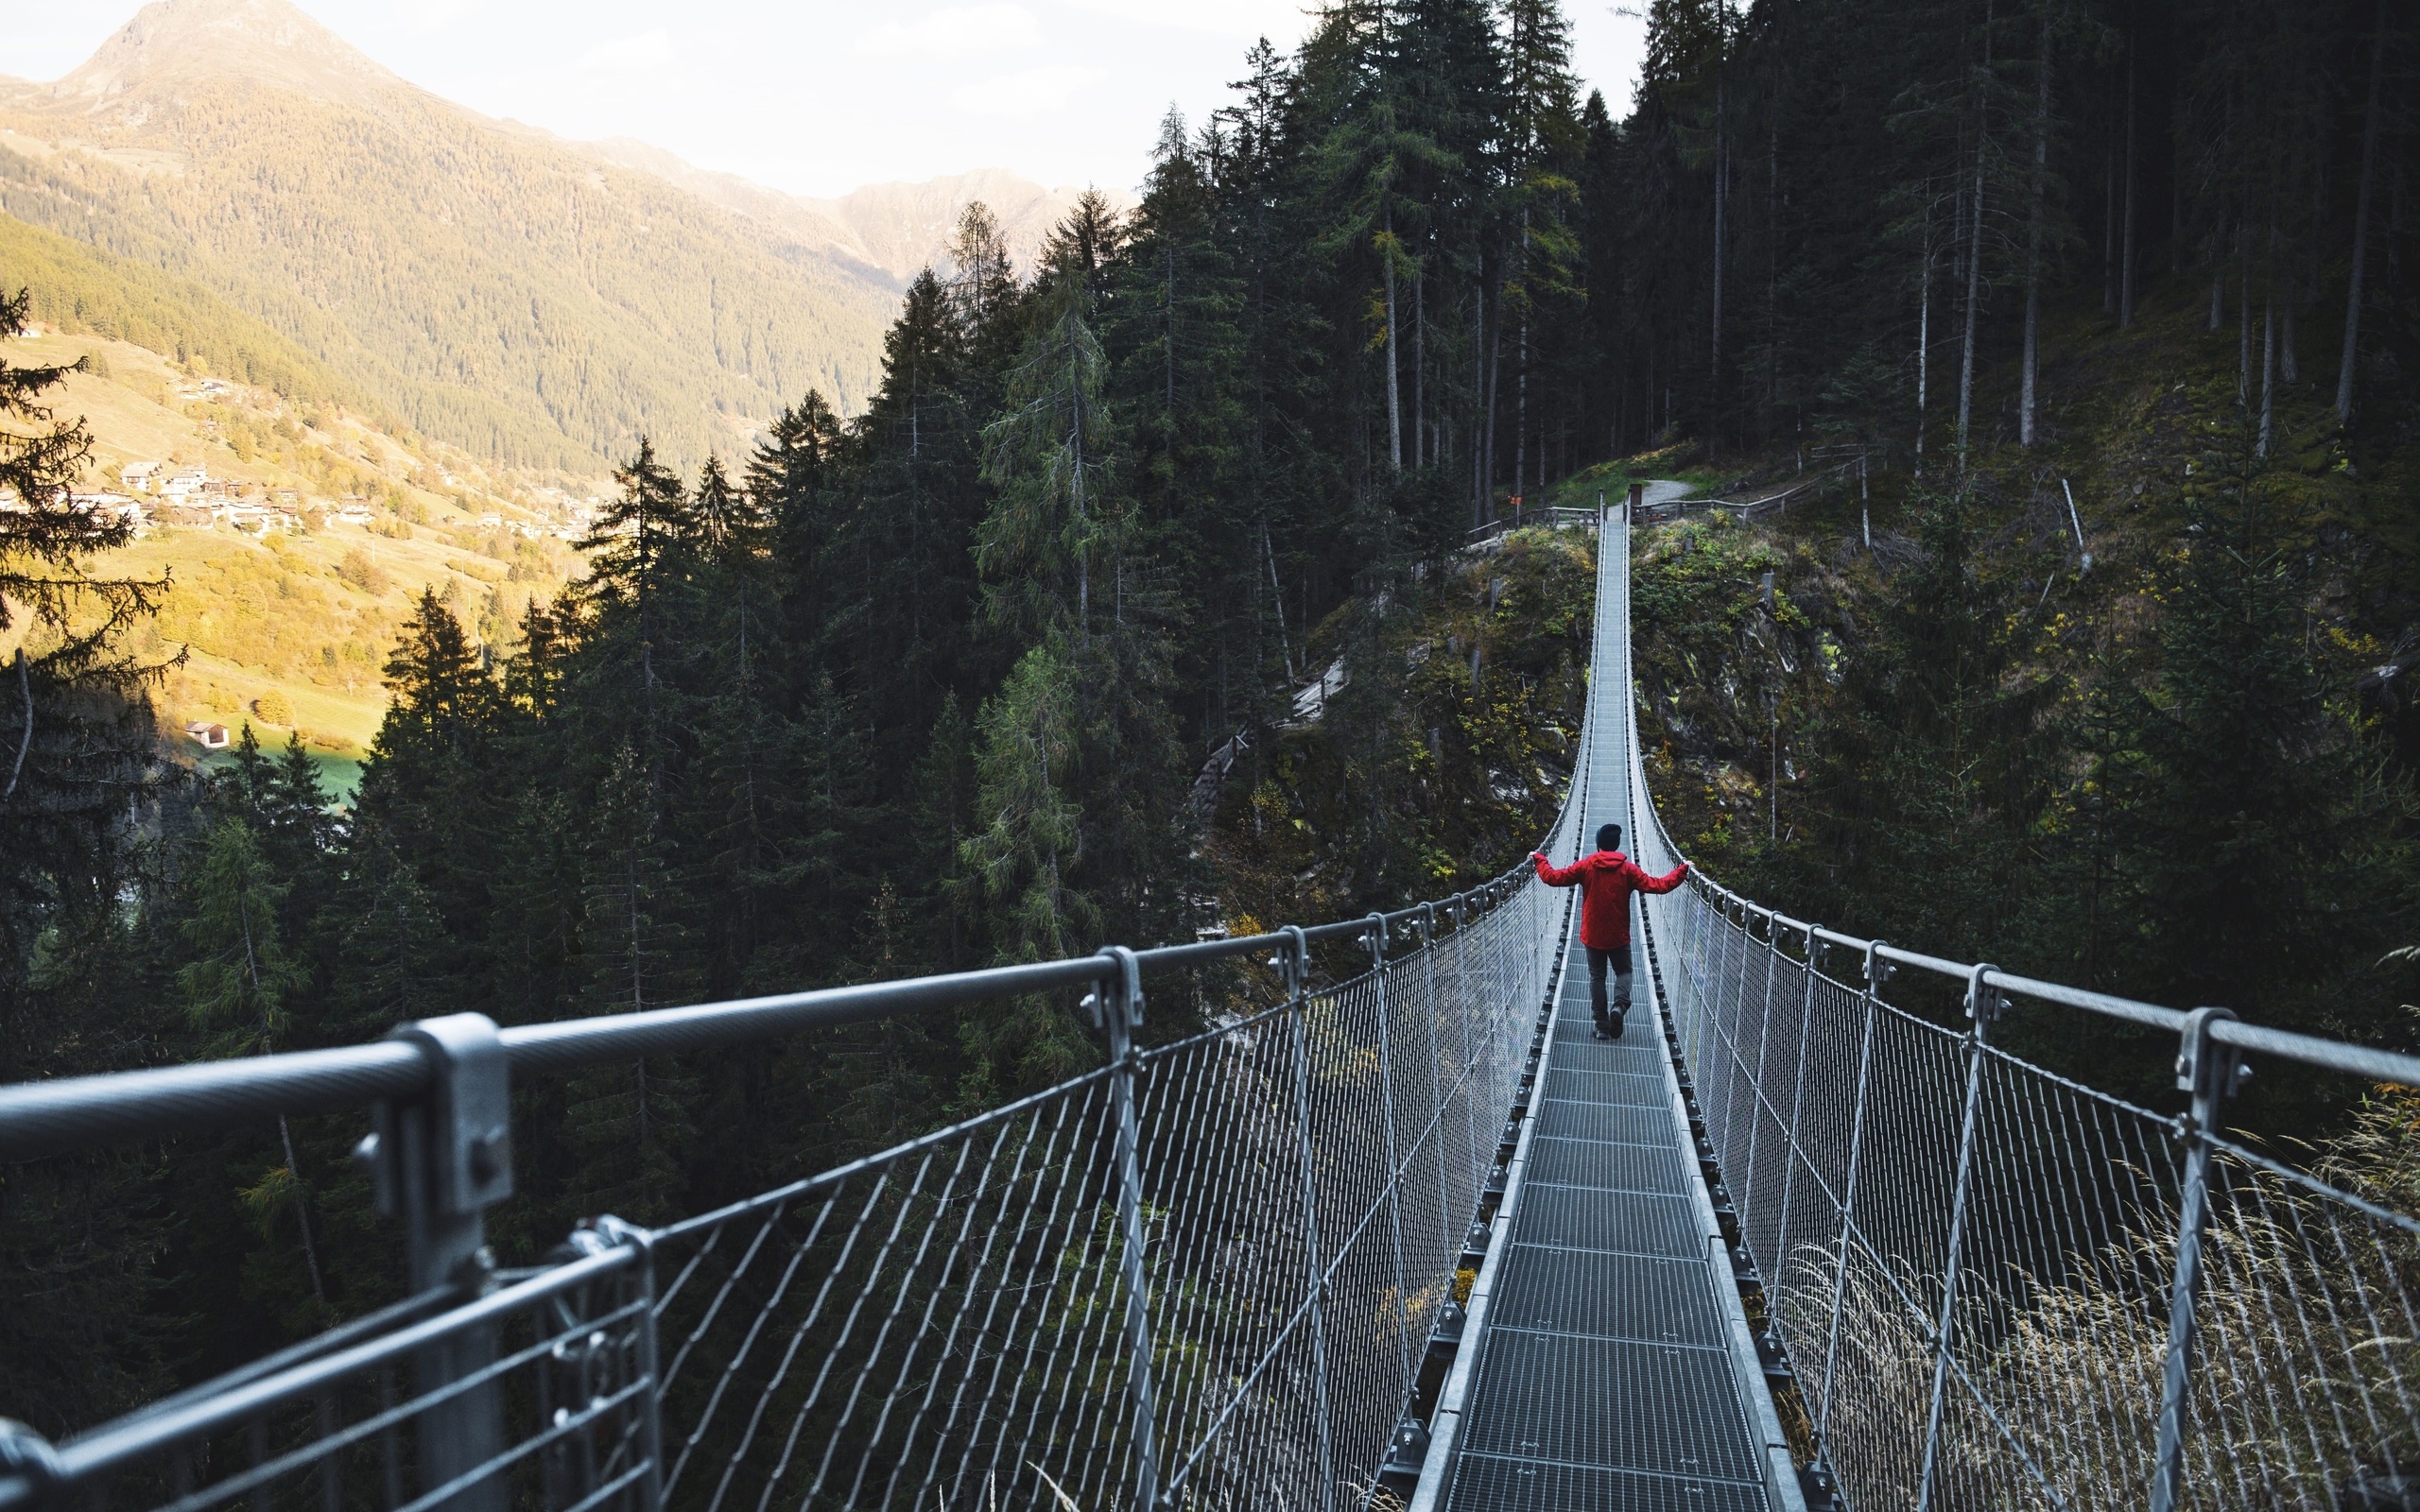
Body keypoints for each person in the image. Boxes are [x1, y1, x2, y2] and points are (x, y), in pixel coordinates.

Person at [1530, 823, 1690, 1039]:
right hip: (1618, 935)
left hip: (1592, 934)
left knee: (1597, 977)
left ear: (1597, 844)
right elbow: (1659, 885)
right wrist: (1682, 871)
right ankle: (1619, 1006)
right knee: (1624, 972)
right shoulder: (1628, 870)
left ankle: (1602, 1027)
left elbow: (1553, 878)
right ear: (1616, 845)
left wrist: (1540, 860)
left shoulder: (1586, 866)